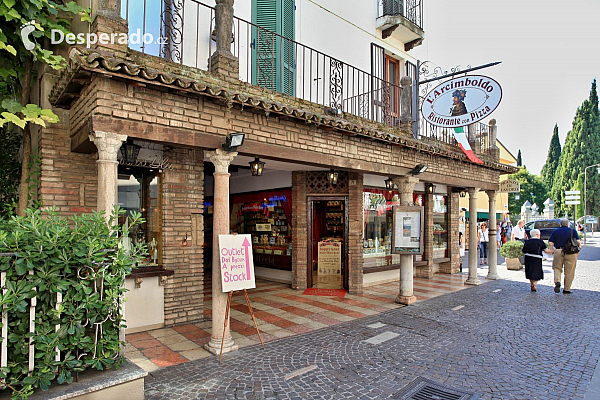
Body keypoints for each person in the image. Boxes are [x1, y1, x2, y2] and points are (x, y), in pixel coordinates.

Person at [548, 219, 581, 294]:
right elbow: (578, 242)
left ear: (560, 224)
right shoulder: (573, 231)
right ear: (568, 224)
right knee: (570, 271)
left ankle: (557, 281)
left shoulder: (555, 231)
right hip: (571, 252)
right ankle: (567, 289)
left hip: (559, 251)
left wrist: (552, 251)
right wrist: (577, 251)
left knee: (557, 268)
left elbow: (550, 243)